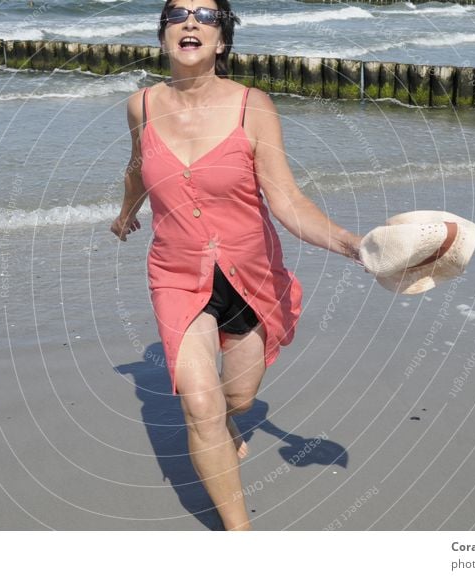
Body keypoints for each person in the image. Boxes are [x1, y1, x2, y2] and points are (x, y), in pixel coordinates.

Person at [111, 0, 362, 531]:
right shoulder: (142, 106)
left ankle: (230, 422)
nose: (191, 21)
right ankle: (240, 536)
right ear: (162, 37)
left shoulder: (253, 107)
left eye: (206, 15)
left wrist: (351, 245)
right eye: (178, 13)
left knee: (238, 399)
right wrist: (125, 211)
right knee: (200, 408)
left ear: (222, 41)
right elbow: (137, 166)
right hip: (177, 276)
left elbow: (288, 202)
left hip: (249, 276)